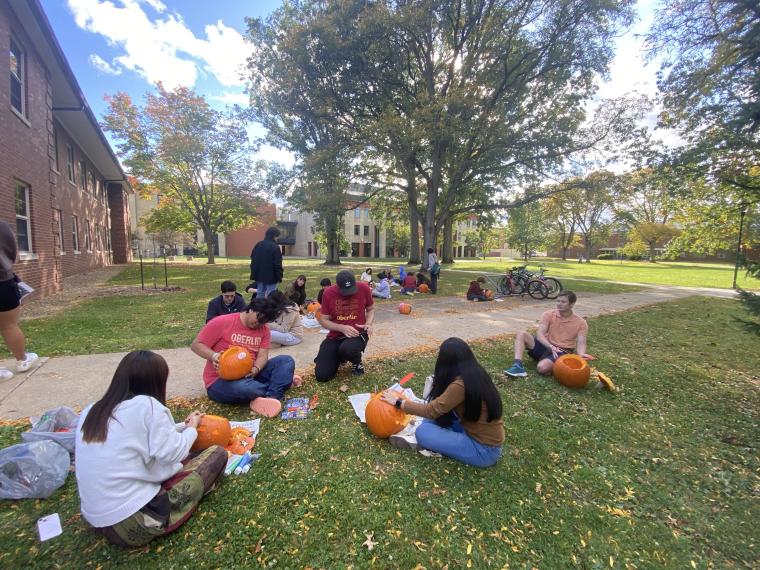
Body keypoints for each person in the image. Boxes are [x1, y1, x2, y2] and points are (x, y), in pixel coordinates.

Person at [75, 350, 226, 547]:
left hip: (98, 520)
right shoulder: (147, 405)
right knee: (216, 454)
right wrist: (192, 429)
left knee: (185, 459)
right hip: (136, 522)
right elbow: (175, 453)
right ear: (155, 382)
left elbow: (142, 438)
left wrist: (183, 426)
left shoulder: (92, 409)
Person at [381, 338, 504, 467]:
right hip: (473, 432)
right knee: (433, 414)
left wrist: (399, 402)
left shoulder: (460, 385)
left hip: (483, 450)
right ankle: (439, 439)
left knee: (422, 432)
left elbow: (431, 411)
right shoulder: (475, 373)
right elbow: (438, 406)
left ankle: (425, 441)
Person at [191, 296, 296, 417]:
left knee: (286, 361)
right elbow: (196, 345)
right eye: (258, 319)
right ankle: (277, 387)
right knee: (248, 389)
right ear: (251, 309)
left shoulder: (264, 329)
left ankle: (271, 397)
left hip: (250, 375)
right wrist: (214, 356)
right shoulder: (222, 321)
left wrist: (256, 369)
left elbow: (262, 355)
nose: (259, 324)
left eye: (263, 322)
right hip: (220, 380)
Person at [503, 290, 588, 378]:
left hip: (562, 351)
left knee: (541, 368)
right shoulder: (548, 314)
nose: (559, 304)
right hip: (546, 345)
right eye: (558, 301)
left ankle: (557, 366)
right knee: (521, 334)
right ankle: (518, 366)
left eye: (563, 302)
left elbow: (581, 343)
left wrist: (581, 355)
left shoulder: (581, 322)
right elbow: (540, 334)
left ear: (572, 304)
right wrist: (551, 346)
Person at [314, 270, 375, 381]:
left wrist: (368, 323)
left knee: (348, 349)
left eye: (351, 290)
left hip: (357, 334)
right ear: (337, 286)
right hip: (335, 336)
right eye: (345, 291)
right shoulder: (328, 293)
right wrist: (341, 328)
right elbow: (323, 320)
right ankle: (339, 356)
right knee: (322, 376)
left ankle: (357, 362)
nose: (349, 293)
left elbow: (370, 309)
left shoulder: (364, 288)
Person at [0, 220, 38, 380]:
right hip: (2, 280)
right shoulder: (2, 226)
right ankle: (22, 360)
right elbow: (11, 250)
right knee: (9, 325)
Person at [249, 226, 283, 298]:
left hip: (259, 274)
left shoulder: (258, 245)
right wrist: (279, 276)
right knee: (271, 295)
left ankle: (258, 308)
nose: (277, 239)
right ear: (274, 236)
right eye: (277, 237)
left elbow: (253, 258)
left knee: (260, 293)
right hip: (272, 276)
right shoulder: (275, 247)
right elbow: (277, 264)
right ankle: (269, 308)